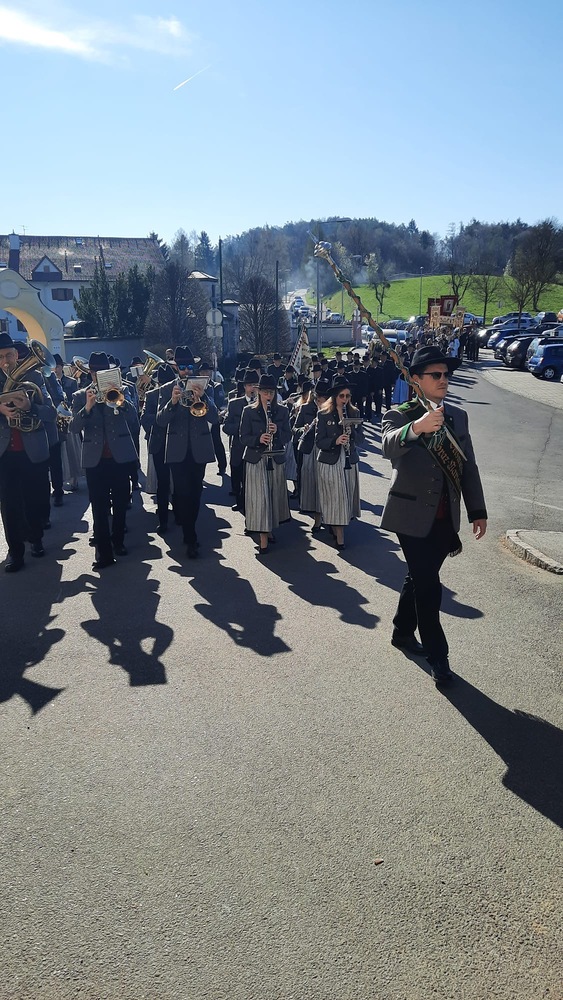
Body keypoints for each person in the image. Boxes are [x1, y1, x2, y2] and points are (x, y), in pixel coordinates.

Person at [380, 345, 487, 686]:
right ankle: (438, 656)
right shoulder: (402, 413)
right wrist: (418, 427)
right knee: (428, 586)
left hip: (444, 517)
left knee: (419, 576)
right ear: (415, 379)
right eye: (436, 374)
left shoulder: (458, 416)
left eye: (446, 374)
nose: (444, 380)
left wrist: (477, 510)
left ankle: (401, 631)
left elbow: (468, 467)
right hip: (410, 515)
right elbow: (388, 445)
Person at [71, 352, 140, 570]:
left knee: (120, 504)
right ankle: (104, 553)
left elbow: (133, 420)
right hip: (95, 460)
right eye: (95, 372)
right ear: (90, 373)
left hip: (119, 458)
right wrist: (88, 407)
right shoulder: (80, 395)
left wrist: (119, 399)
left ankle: (118, 541)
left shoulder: (123, 391)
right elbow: (73, 427)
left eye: (102, 372)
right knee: (99, 507)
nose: (97, 375)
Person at [156, 346, 219, 559]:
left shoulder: (205, 386)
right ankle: (190, 536)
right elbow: (160, 421)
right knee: (182, 493)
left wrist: (204, 397)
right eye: (183, 367)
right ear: (176, 367)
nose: (187, 370)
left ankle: (189, 529)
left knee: (196, 493)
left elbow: (215, 418)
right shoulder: (167, 389)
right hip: (177, 450)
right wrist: (172, 402)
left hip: (199, 449)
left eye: (190, 366)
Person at [0, 334, 56, 571]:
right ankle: (15, 552)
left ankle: (36, 539)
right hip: (4, 454)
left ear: (16, 355)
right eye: (0, 357)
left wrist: (30, 406)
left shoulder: (34, 377)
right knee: (9, 505)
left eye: (9, 355)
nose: (5, 361)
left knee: (35, 499)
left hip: (31, 451)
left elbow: (51, 413)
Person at [240, 373, 291, 556]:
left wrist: (277, 432)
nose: (268, 395)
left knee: (272, 496)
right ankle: (262, 537)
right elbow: (243, 437)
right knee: (260, 497)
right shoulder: (248, 411)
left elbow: (288, 436)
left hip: (275, 458)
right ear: (259, 392)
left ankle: (268, 528)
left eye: (271, 392)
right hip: (256, 458)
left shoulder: (282, 411)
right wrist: (258, 438)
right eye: (265, 392)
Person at [315, 376, 362, 551]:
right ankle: (339, 535)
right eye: (341, 396)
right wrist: (335, 441)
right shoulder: (323, 414)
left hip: (349, 459)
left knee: (345, 497)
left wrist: (352, 433)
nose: (345, 399)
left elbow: (361, 439)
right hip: (330, 460)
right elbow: (319, 441)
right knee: (335, 497)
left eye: (347, 396)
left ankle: (336, 526)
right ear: (335, 396)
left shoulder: (354, 413)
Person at [140, 363, 176, 534]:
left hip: (177, 442)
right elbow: (145, 419)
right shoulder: (152, 395)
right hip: (159, 442)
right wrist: (161, 418)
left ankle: (178, 511)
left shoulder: (181, 393)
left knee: (177, 481)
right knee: (163, 482)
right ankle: (163, 519)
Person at [222, 368, 259, 513]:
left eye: (255, 385)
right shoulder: (234, 404)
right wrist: (242, 427)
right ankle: (240, 502)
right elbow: (226, 427)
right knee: (237, 478)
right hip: (239, 447)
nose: (252, 388)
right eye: (250, 385)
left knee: (253, 481)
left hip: (256, 448)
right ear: (244, 387)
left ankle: (253, 507)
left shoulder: (264, 403)